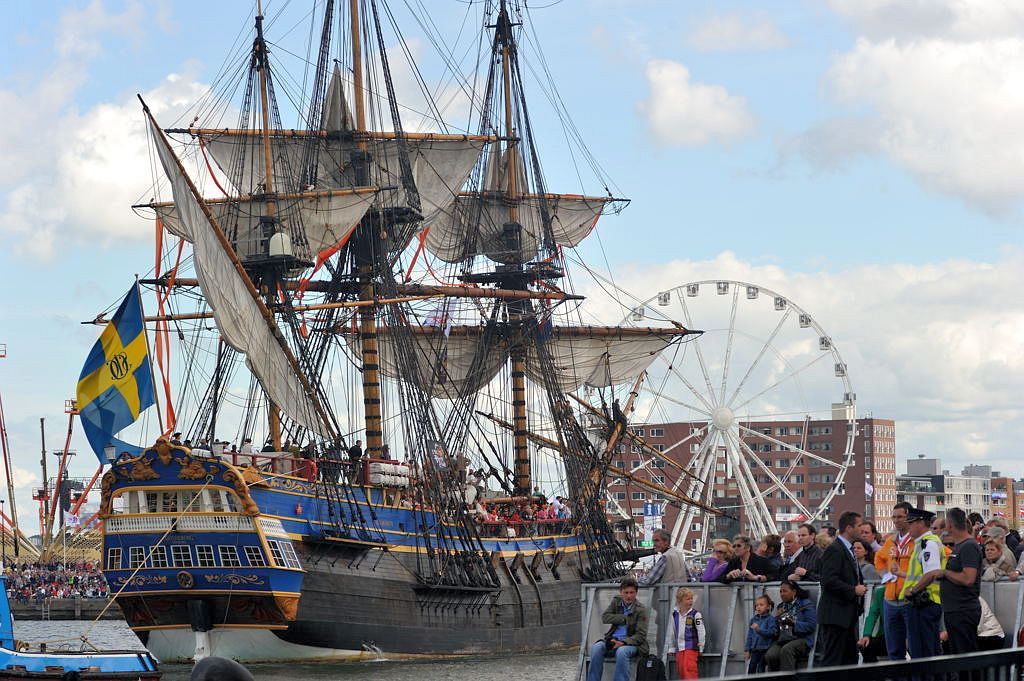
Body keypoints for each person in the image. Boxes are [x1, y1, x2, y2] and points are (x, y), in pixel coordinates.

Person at [912, 507, 981, 656]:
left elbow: (968, 579)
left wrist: (944, 573)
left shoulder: (969, 546)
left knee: (966, 656)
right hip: (954, 610)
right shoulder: (959, 546)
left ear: (950, 524)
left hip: (963, 611)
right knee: (957, 655)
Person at [817, 511, 867, 666]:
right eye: (859, 526)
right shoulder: (835, 550)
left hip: (847, 617)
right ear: (849, 528)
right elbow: (828, 581)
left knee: (849, 659)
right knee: (833, 660)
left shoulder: (848, 550)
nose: (862, 529)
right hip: (836, 616)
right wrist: (853, 590)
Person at [899, 506, 945, 659]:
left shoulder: (928, 544)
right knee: (924, 650)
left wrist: (913, 590)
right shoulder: (922, 543)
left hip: (925, 603)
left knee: (924, 652)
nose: (908, 527)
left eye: (910, 523)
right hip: (922, 603)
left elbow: (931, 573)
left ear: (920, 523)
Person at [587, 577, 649, 681]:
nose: (629, 596)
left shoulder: (641, 610)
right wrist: (624, 619)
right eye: (626, 592)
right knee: (596, 648)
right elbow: (605, 617)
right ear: (621, 592)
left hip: (631, 643)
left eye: (632, 592)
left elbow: (641, 636)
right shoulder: (616, 602)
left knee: (621, 652)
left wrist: (624, 642)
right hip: (613, 639)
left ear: (636, 593)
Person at [875, 501, 914, 660]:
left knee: (914, 647)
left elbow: (944, 555)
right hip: (890, 600)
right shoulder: (891, 540)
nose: (896, 520)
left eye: (900, 517)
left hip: (909, 600)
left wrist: (910, 577)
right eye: (894, 517)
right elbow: (879, 558)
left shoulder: (918, 539)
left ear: (909, 517)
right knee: (893, 650)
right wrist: (885, 575)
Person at [765, 580, 817, 671]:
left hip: (802, 639)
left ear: (794, 592)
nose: (782, 594)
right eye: (780, 591)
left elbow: (811, 626)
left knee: (787, 650)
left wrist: (794, 623)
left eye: (785, 591)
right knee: (771, 655)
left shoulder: (805, 604)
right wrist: (776, 618)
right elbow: (775, 630)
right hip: (784, 639)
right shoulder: (781, 607)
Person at [667, 588, 705, 680]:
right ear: (680, 600)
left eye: (691, 598)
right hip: (679, 648)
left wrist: (701, 646)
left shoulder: (696, 614)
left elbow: (701, 631)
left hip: (691, 647)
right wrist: (671, 647)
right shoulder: (674, 614)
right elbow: (672, 632)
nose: (691, 601)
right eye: (688, 599)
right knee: (681, 670)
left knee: (689, 670)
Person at [745, 593, 777, 673]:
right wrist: (747, 650)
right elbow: (750, 635)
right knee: (751, 668)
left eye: (761, 605)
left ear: (768, 607)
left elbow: (772, 633)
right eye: (757, 605)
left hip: (765, 649)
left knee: (760, 669)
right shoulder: (753, 620)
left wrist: (759, 630)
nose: (758, 607)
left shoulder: (771, 619)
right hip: (755, 650)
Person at [858, 584, 888, 663]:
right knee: (864, 645)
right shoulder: (880, 592)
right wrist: (866, 635)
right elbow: (872, 614)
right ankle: (874, 674)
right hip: (885, 635)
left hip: (904, 636)